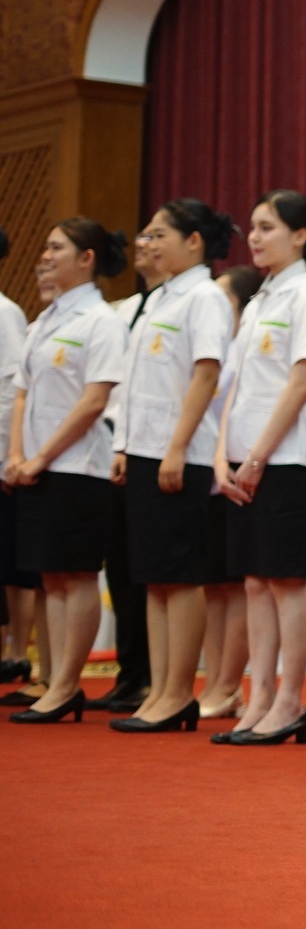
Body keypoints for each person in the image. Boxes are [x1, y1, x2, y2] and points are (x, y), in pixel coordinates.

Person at [107, 200, 235, 734]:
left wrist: (177, 448)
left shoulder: (203, 297)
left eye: (160, 235)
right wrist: (125, 444)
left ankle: (179, 691)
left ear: (194, 242)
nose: (149, 243)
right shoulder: (159, 299)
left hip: (178, 453)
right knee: (153, 578)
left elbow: (205, 376)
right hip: (143, 450)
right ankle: (160, 689)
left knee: (179, 577)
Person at [211, 193, 306, 746]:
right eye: (253, 228)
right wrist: (222, 454)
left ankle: (289, 699)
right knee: (254, 582)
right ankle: (257, 694)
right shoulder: (259, 299)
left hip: (288, 459)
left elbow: (301, 381)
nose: (255, 238)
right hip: (242, 458)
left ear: (301, 235)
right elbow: (234, 386)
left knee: (285, 581)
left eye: (268, 228)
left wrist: (257, 455)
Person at [5, 220, 129, 723]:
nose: (46, 255)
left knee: (74, 575)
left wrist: (41, 457)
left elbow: (93, 400)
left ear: (87, 258)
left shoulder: (101, 321)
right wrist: (16, 454)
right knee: (50, 576)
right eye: (46, 246)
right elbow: (21, 393)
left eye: (58, 248)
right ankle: (52, 679)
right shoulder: (43, 322)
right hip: (36, 466)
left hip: (78, 467)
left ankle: (67, 685)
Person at [92, 234, 162, 714]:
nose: (145, 245)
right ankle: (131, 670)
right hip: (120, 442)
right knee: (121, 563)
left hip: (158, 445)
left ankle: (153, 677)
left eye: (157, 237)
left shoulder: (187, 303)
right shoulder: (123, 311)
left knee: (153, 570)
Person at [199, 265, 264, 719]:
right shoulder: (216, 344)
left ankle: (227, 683)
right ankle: (215, 683)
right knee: (212, 587)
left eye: (224, 298)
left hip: (242, 467)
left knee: (239, 586)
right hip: (210, 467)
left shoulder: (248, 343)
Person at [0, 226, 35, 692]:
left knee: (11, 561)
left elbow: (11, 392)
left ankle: (15, 652)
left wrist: (9, 454)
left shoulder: (6, 314)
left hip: (3, 456)